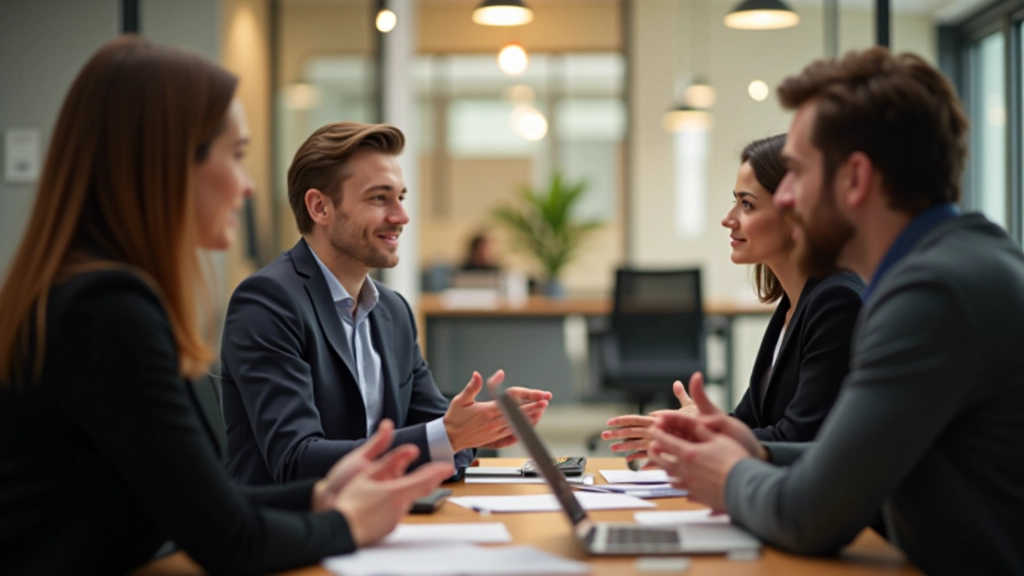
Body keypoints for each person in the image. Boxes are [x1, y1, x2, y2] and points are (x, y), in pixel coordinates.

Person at [0, 37, 453, 574]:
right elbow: (228, 539)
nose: (247, 186)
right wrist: (348, 523)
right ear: (167, 164)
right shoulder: (107, 311)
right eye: (235, 156)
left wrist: (320, 495)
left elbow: (199, 503)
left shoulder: (95, 296)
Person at [646, 47, 1024, 575]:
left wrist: (729, 476)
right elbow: (864, 460)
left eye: (797, 173)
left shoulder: (932, 295)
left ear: (855, 179)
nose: (785, 199)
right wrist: (757, 452)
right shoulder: (961, 262)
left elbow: (808, 516)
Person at [221, 122, 552, 485]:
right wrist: (449, 435)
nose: (401, 216)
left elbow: (436, 433)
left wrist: (476, 427)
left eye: (401, 198)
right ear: (320, 207)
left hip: (386, 512)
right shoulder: (268, 302)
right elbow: (296, 462)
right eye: (379, 198)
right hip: (296, 520)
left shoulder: (393, 311)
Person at [601, 134, 863, 462]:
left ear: (795, 214)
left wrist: (699, 435)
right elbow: (750, 422)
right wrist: (700, 424)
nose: (729, 218)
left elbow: (798, 439)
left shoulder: (836, 302)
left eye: (747, 205)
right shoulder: (793, 304)